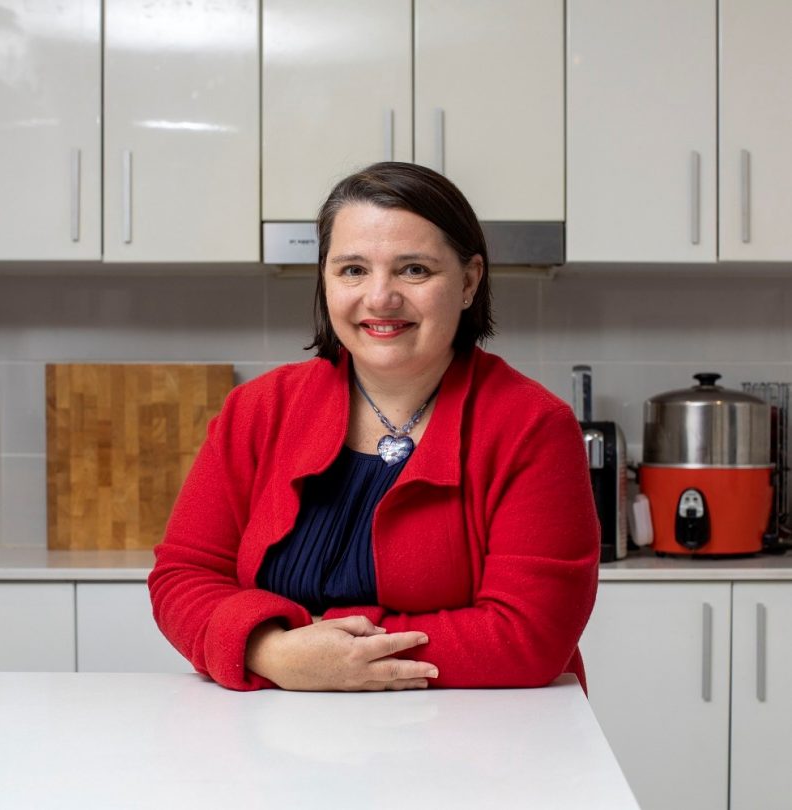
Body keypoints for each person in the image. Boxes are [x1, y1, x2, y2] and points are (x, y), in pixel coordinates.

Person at [148, 161, 600, 693]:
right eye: (353, 269)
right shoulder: (258, 409)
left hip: (478, 746)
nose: (380, 297)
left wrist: (333, 656)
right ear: (326, 280)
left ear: (469, 281)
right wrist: (273, 651)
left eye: (414, 270)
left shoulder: (532, 426)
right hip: (276, 738)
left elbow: (529, 635)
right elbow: (183, 577)